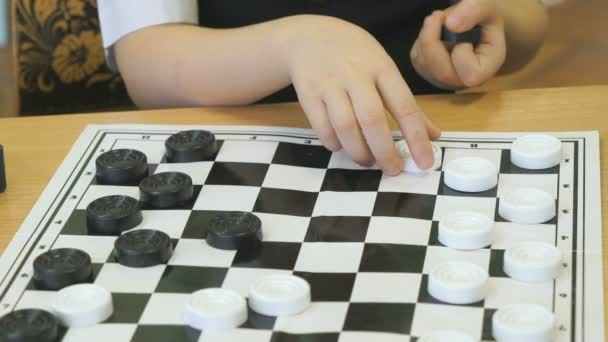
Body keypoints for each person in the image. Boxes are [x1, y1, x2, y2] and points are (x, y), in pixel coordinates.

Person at [98, 0, 548, 175]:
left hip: (427, 153)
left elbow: (528, 21)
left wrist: (492, 23)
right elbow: (148, 62)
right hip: (236, 163)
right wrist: (291, 43)